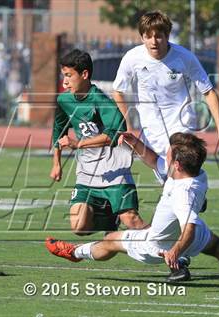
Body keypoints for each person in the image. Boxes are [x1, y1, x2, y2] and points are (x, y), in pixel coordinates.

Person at [45, 133, 219, 289]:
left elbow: (190, 227)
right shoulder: (196, 173)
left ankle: (76, 252)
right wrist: (135, 144)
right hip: (187, 235)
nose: (166, 154)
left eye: (170, 153)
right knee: (217, 245)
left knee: (110, 241)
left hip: (158, 244)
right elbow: (155, 162)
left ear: (177, 164)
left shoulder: (182, 192)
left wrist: (175, 251)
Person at [113, 10, 219, 183]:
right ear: (142, 38)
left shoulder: (185, 57)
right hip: (151, 130)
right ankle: (196, 193)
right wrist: (127, 126)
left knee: (181, 177)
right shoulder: (132, 58)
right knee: (168, 182)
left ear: (167, 36)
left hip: (181, 126)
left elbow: (208, 92)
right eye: (148, 36)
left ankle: (196, 191)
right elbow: (118, 91)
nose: (153, 41)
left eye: (158, 36)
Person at [50, 49, 147, 236]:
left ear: (84, 74)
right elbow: (58, 132)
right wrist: (56, 163)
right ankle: (111, 219)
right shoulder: (64, 100)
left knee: (132, 221)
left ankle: (169, 249)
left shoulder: (101, 100)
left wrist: (79, 144)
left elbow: (116, 133)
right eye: (63, 76)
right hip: (86, 174)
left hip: (115, 172)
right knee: (79, 226)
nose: (64, 82)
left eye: (69, 76)